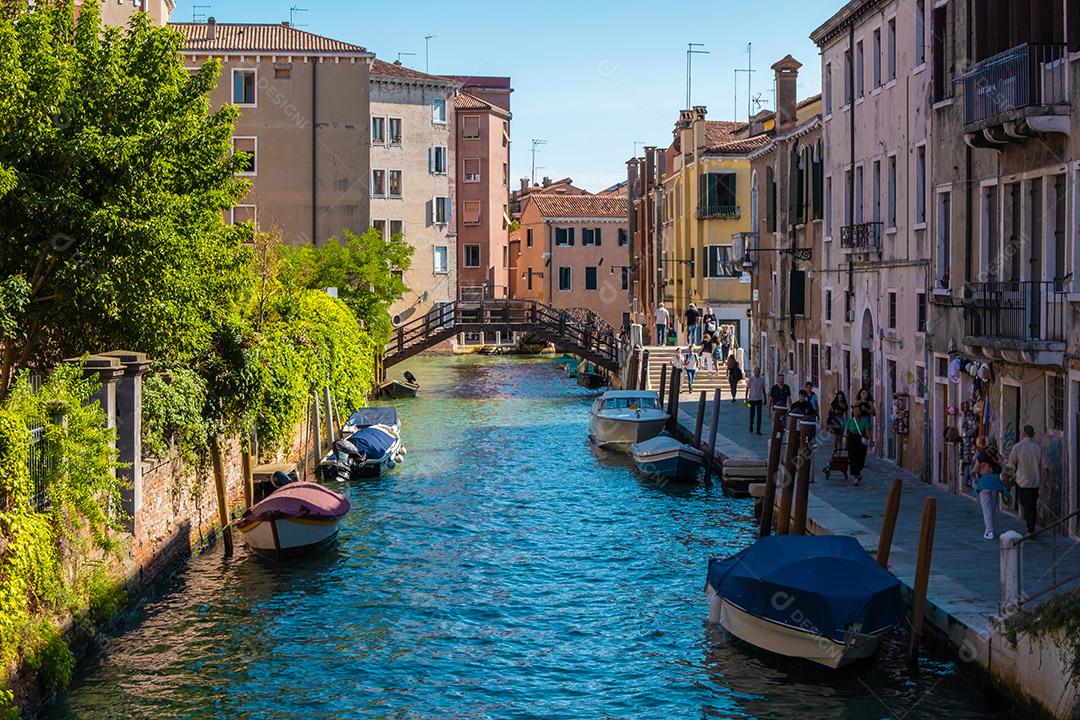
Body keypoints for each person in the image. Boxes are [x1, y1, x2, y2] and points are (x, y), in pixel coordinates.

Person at [1007, 425, 1048, 535]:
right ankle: (1031, 528)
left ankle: (1030, 529)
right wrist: (1046, 481)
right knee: (1032, 506)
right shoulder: (1038, 447)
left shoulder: (1017, 447)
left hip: (1022, 482)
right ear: (1033, 434)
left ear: (1023, 434)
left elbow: (1011, 464)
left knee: (1026, 506)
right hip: (1035, 482)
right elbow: (1045, 466)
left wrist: (1009, 479)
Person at [973, 436, 1008, 540]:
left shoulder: (981, 456)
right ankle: (990, 527)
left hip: (985, 483)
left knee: (986, 508)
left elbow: (974, 470)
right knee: (992, 507)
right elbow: (1004, 463)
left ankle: (989, 531)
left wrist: (973, 474)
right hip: (995, 482)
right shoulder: (996, 454)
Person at [845, 404, 872, 486]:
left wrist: (870, 439)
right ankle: (856, 477)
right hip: (852, 440)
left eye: (858, 411)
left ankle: (858, 472)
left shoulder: (864, 420)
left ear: (860, 412)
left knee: (861, 458)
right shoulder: (850, 421)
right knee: (853, 459)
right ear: (853, 412)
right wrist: (846, 442)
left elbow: (867, 431)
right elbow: (847, 432)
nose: (856, 412)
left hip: (861, 440)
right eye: (855, 411)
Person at [746, 366, 766, 434]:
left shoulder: (762, 380)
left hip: (759, 399)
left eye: (758, 372)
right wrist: (746, 398)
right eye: (756, 371)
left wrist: (765, 398)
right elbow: (747, 388)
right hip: (752, 399)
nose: (757, 373)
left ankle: (758, 430)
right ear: (754, 372)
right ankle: (751, 425)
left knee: (759, 415)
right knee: (752, 414)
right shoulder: (751, 379)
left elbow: (763, 390)